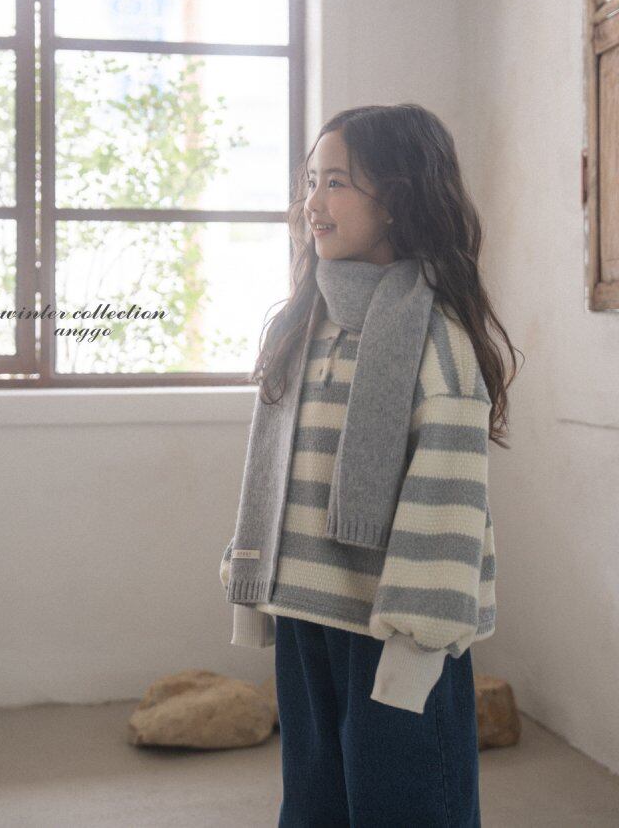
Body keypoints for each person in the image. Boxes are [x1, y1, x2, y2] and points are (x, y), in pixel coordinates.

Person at [219, 104, 521, 827]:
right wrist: (252, 587)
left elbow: (447, 506)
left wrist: (417, 650)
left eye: (337, 184)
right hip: (305, 617)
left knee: (408, 810)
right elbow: (275, 473)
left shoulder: (435, 337)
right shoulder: (302, 324)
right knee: (314, 807)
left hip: (394, 633)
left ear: (395, 199)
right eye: (310, 183)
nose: (312, 204)